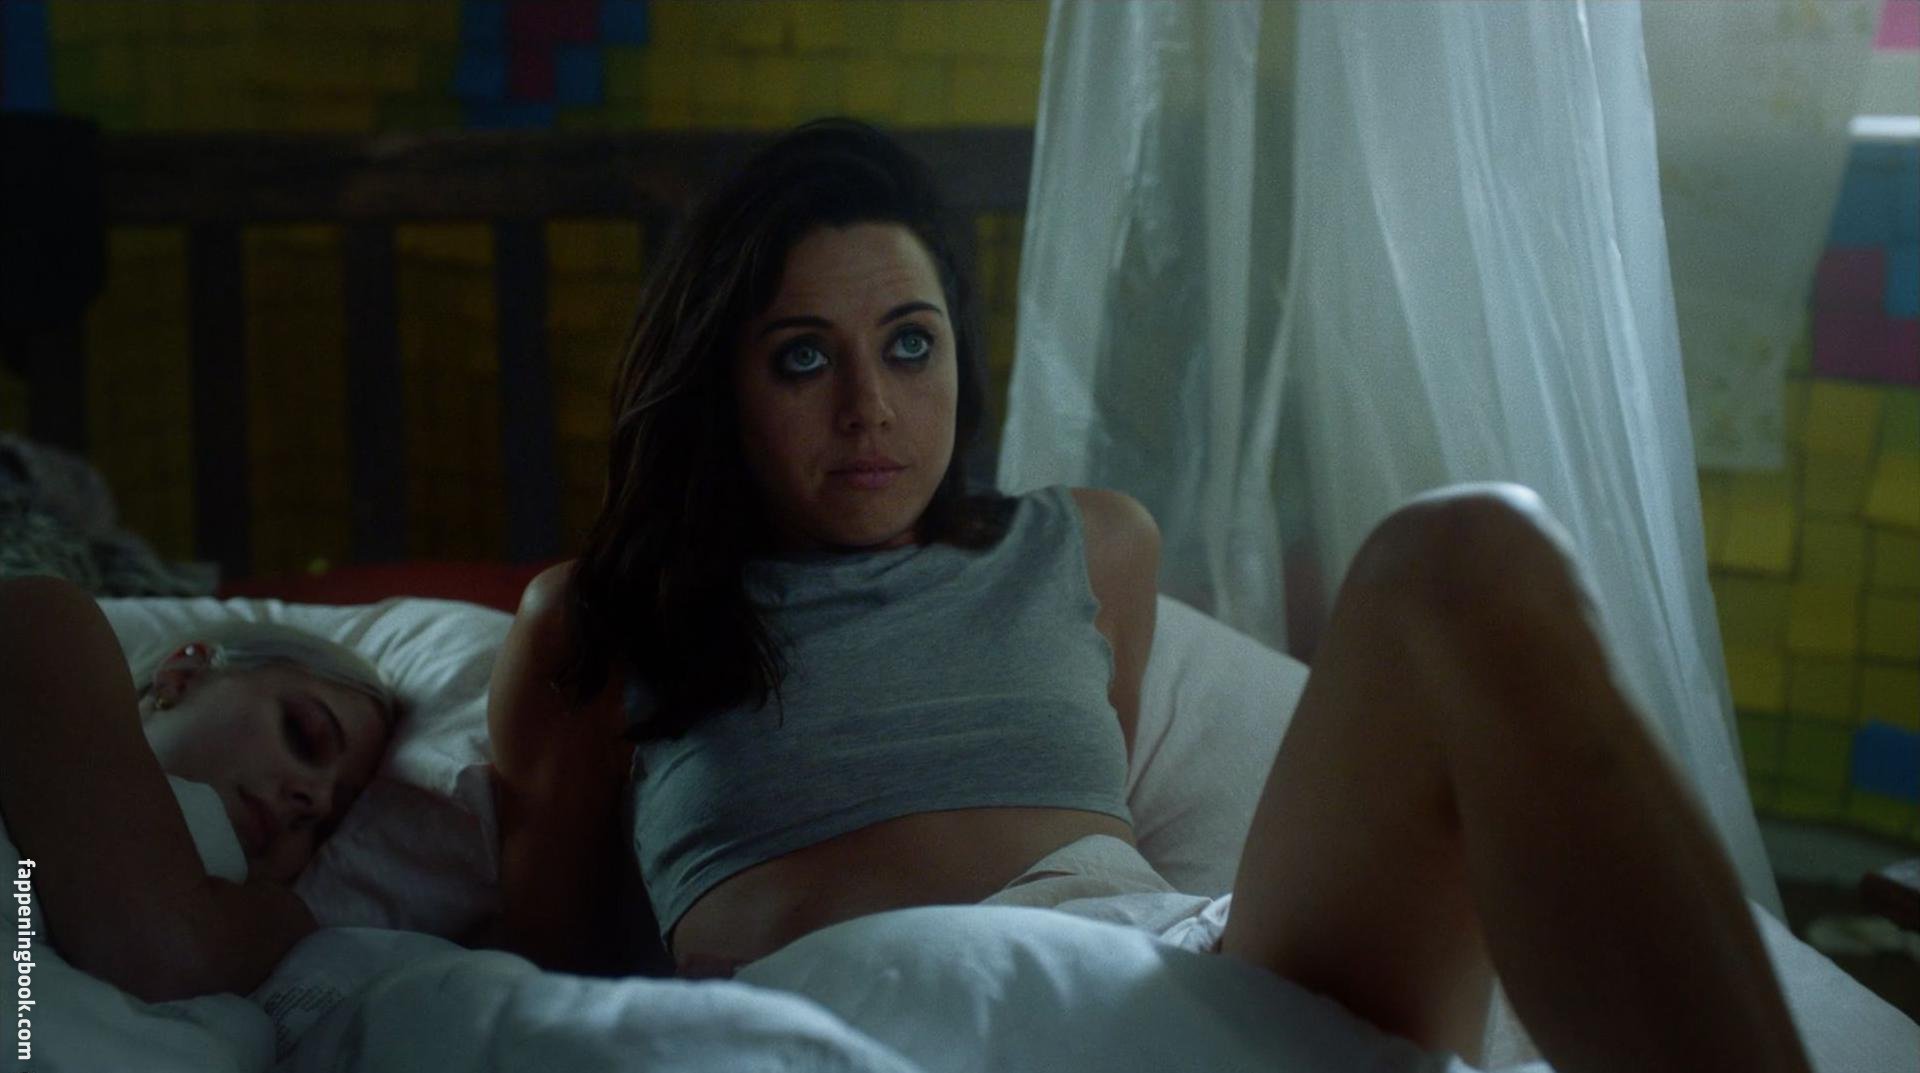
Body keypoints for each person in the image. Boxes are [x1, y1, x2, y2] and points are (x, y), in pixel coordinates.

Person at [488, 119, 1814, 1073]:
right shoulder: (598, 621)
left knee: (1467, 549)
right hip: (865, 1020)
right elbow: (548, 976)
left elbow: (1092, 820)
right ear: (718, 385)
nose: (871, 407)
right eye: (800, 358)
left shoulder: (1090, 546)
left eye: (910, 344)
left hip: (1165, 966)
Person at [0, 575, 395, 1002]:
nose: (316, 801)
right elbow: (163, 953)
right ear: (183, 674)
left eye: (327, 827)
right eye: (303, 735)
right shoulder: (44, 625)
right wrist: (285, 919)